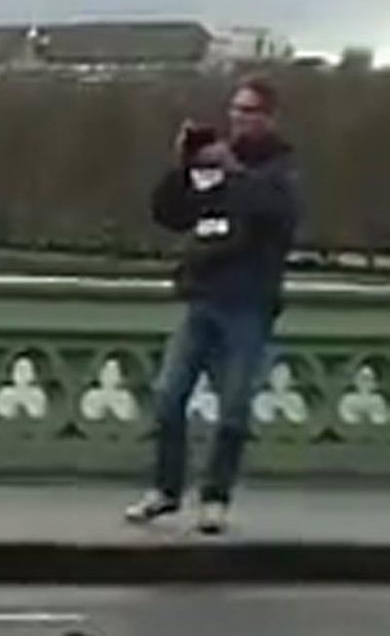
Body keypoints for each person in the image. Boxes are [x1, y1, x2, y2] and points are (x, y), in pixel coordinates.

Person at [127, 77, 301, 536]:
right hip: (203, 296)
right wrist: (182, 166)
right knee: (168, 397)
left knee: (233, 408)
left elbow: (278, 215)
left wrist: (234, 171)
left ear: (269, 118)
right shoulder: (216, 164)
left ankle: (215, 498)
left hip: (249, 303)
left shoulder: (281, 169)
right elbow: (170, 214)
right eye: (236, 110)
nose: (239, 119)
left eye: (249, 111)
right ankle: (165, 490)